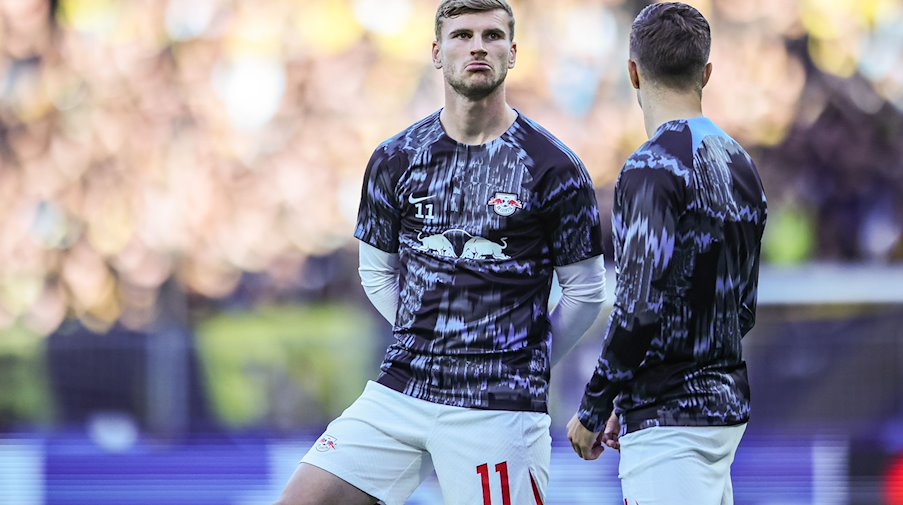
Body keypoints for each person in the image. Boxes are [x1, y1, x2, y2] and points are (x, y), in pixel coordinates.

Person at [275, 1, 607, 504]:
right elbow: (377, 273)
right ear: (436, 52)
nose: (478, 46)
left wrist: (531, 358)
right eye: (462, 35)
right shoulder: (396, 158)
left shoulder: (553, 167)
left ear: (513, 53)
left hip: (498, 407)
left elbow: (587, 292)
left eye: (493, 36)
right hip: (401, 391)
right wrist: (427, 337)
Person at [566, 3, 768, 505]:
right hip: (722, 412)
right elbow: (741, 309)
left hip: (670, 423)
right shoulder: (742, 165)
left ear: (633, 72)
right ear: (707, 73)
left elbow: (638, 307)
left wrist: (594, 408)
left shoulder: (649, 168)